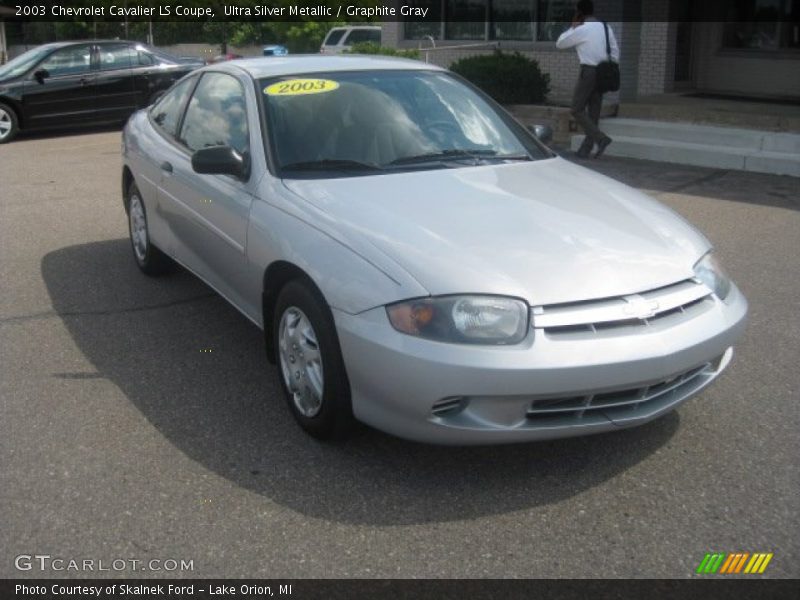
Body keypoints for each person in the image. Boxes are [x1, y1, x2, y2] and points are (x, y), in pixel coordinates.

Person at [556, 0, 619, 158]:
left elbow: (560, 43)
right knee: (594, 112)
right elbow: (616, 52)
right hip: (604, 72)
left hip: (589, 72)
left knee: (576, 109)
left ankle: (601, 139)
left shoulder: (582, 29)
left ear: (579, 12)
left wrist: (573, 26)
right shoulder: (605, 27)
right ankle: (585, 149)